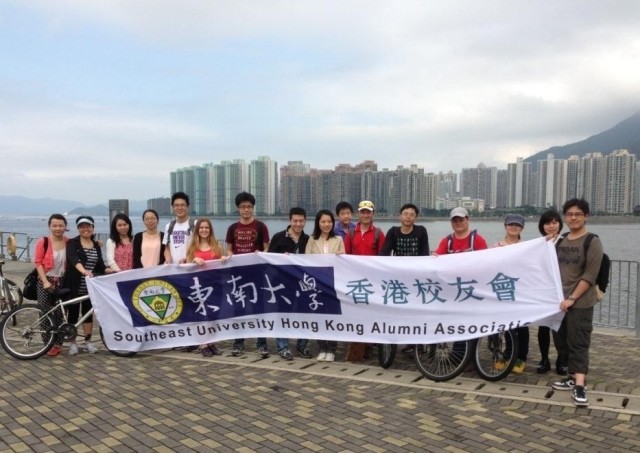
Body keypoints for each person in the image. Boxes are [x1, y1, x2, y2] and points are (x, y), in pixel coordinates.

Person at [551, 198, 604, 408]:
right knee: (562, 342)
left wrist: (572, 298)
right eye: (570, 214)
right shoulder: (561, 239)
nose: (573, 218)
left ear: (585, 216)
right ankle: (572, 377)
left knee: (579, 343)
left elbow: (590, 275)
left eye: (578, 214)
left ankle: (580, 386)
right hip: (559, 302)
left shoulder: (592, 241)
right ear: (565, 217)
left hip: (579, 303)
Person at [379, 203, 429, 354]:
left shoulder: (421, 231)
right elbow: (385, 252)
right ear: (400, 216)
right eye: (405, 214)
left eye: (411, 214)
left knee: (416, 312)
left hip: (416, 279)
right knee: (401, 311)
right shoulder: (393, 232)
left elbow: (424, 253)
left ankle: (418, 343)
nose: (408, 217)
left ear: (416, 217)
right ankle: (405, 340)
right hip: (399, 279)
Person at [225, 192, 271, 358]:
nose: (246, 210)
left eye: (249, 207)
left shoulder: (260, 227)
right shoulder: (232, 228)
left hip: (257, 274)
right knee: (239, 309)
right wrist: (229, 255)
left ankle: (262, 344)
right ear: (238, 208)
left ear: (253, 208)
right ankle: (238, 343)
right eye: (243, 207)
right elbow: (229, 248)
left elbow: (267, 247)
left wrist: (261, 253)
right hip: (238, 275)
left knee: (259, 309)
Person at [343, 200, 386, 361]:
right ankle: (356, 349)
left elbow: (384, 257)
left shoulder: (378, 233)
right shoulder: (351, 234)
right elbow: (345, 256)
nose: (365, 215)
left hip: (372, 282)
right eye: (363, 212)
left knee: (370, 314)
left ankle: (368, 346)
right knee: (356, 314)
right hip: (355, 282)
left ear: (372, 214)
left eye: (368, 212)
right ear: (358, 214)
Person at [267, 207, 312, 360]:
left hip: (303, 285)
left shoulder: (308, 240)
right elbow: (270, 260)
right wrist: (281, 258)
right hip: (282, 284)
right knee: (283, 315)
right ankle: (283, 346)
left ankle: (302, 345)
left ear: (305, 221)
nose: (298, 224)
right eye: (295, 221)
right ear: (290, 221)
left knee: (305, 315)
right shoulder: (279, 237)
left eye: (301, 221)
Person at [183, 218, 229, 357]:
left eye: (207, 228)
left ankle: (212, 342)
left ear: (210, 230)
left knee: (213, 315)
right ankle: (203, 343)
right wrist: (194, 260)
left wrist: (224, 259)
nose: (204, 230)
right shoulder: (192, 247)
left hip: (215, 285)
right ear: (197, 230)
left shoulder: (217, 245)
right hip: (198, 287)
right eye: (201, 228)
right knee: (201, 315)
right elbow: (186, 265)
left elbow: (225, 261)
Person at [64, 216, 107, 355]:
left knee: (88, 315)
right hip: (75, 285)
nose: (85, 229)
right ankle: (72, 343)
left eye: (88, 226)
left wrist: (112, 271)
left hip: (90, 287)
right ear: (78, 229)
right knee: (73, 315)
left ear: (93, 228)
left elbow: (100, 266)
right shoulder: (73, 243)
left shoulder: (96, 245)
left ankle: (88, 342)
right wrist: (84, 271)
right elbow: (73, 259)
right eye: (82, 227)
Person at [305, 209, 345, 361]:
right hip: (317, 284)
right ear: (318, 223)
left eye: (329, 221)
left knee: (332, 317)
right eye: (323, 222)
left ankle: (332, 350)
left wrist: (342, 256)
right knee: (319, 317)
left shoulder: (339, 239)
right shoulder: (311, 240)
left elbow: (344, 260)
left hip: (334, 284)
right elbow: (306, 261)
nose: (326, 224)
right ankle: (322, 348)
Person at [492, 214, 528, 374]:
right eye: (510, 224)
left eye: (517, 225)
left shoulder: (527, 247)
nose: (514, 227)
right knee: (505, 326)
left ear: (522, 228)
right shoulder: (495, 247)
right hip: (502, 290)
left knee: (522, 327)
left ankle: (521, 358)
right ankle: (506, 354)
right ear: (505, 226)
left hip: (520, 292)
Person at [34, 214, 69, 357]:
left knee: (61, 314)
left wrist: (97, 243)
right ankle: (47, 344)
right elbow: (38, 262)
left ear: (65, 227)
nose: (58, 228)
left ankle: (58, 344)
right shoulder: (43, 242)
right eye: (54, 225)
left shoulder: (69, 242)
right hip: (45, 280)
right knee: (45, 313)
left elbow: (83, 246)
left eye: (61, 225)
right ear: (49, 226)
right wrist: (45, 281)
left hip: (63, 281)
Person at [536, 209, 566, 374]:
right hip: (544, 291)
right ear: (542, 226)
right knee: (544, 328)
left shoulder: (567, 241)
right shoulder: (538, 244)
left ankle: (562, 360)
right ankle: (544, 359)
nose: (551, 226)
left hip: (563, 291)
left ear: (560, 224)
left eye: (555, 222)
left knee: (561, 328)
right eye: (548, 223)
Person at [163, 192, 194, 265]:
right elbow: (167, 248)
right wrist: (168, 259)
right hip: (174, 270)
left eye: (182, 205)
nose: (179, 208)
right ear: (173, 207)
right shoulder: (169, 226)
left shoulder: (195, 224)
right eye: (176, 205)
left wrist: (188, 259)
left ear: (188, 207)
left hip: (190, 267)